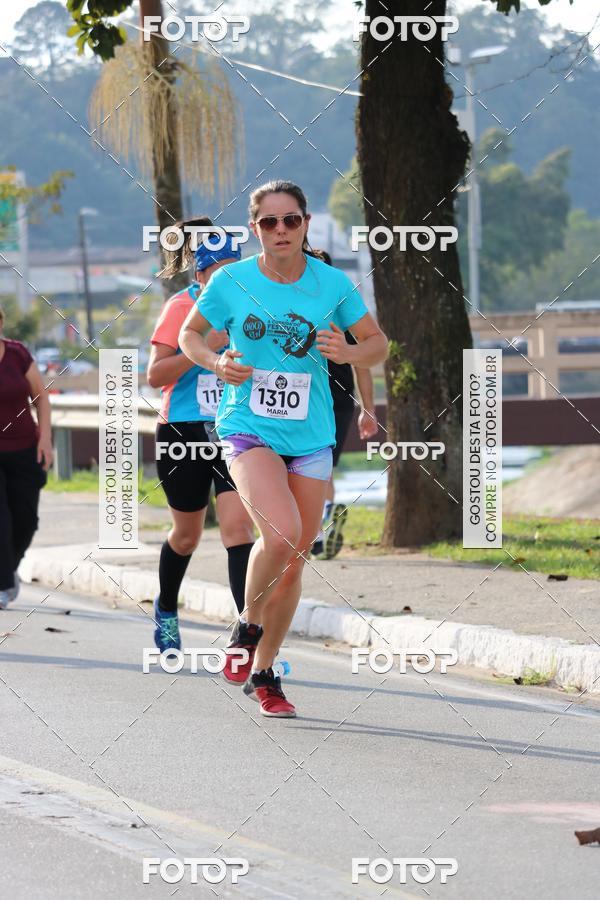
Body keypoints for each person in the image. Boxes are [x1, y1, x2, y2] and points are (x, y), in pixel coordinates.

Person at [180, 180, 388, 717]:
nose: (280, 230)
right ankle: (247, 626)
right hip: (247, 426)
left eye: (290, 220)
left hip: (312, 434)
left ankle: (266, 673)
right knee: (282, 533)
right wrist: (216, 362)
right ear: (255, 229)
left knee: (294, 564)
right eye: (269, 222)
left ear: (305, 224)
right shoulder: (231, 281)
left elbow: (377, 345)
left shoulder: (331, 283)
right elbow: (189, 336)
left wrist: (348, 350)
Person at [147, 218, 255, 652]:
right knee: (187, 535)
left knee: (238, 530)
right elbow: (156, 375)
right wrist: (204, 347)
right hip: (183, 429)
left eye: (234, 270)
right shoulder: (181, 308)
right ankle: (166, 608)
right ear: (201, 273)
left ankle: (248, 636)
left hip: (235, 428)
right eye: (218, 272)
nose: (228, 280)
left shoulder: (250, 304)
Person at [307, 250, 379, 560]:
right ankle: (325, 518)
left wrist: (368, 409)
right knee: (323, 466)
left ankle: (318, 530)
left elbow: (363, 360)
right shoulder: (344, 314)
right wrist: (368, 409)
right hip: (338, 401)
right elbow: (363, 365)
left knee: (311, 465)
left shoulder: (305, 311)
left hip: (315, 401)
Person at [0, 305, 53, 608]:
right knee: (1, 521)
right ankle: (3, 584)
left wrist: (45, 438)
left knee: (26, 521)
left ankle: (7, 570)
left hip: (24, 449)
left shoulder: (17, 354)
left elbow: (41, 397)